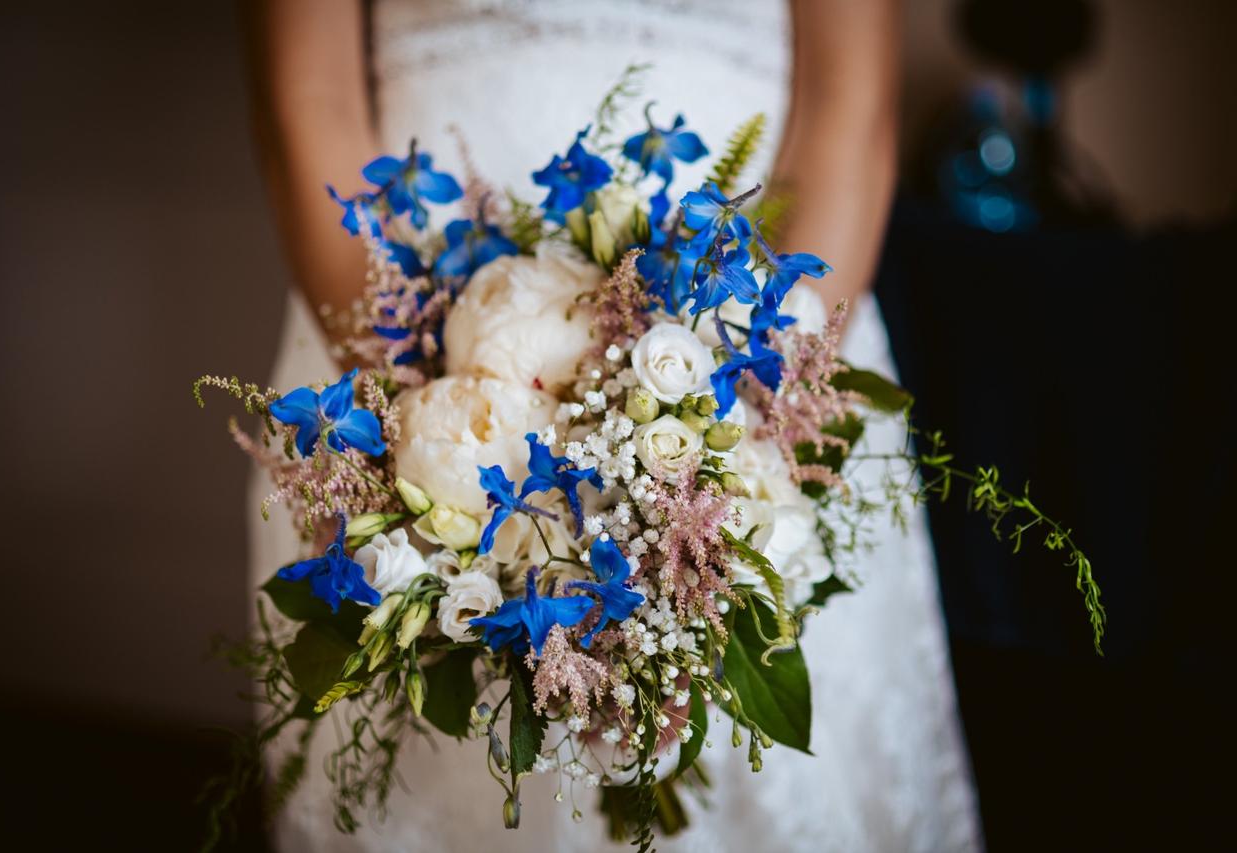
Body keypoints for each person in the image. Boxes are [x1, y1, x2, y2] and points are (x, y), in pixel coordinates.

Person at [243, 1, 982, 850]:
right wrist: (423, 422)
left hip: (752, 338)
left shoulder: (741, 403)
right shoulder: (408, 399)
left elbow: (848, 105)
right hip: (387, 337)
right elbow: (309, 97)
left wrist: (717, 456)